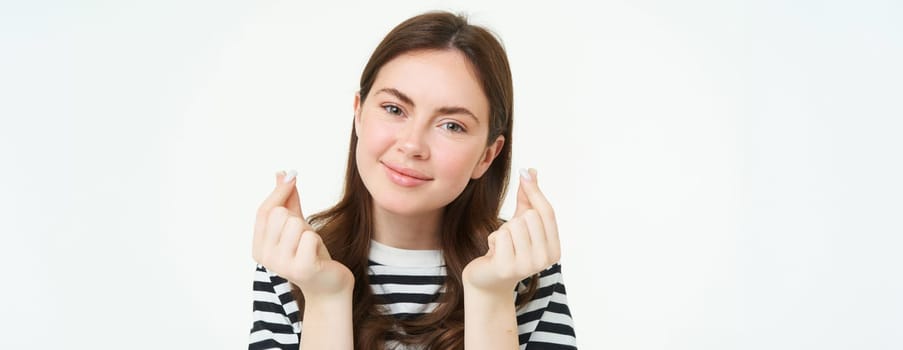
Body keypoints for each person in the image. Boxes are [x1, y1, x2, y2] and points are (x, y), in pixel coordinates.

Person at [248, 11, 577, 350]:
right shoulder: (295, 260)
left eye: (452, 125)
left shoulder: (521, 267)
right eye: (394, 109)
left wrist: (490, 297)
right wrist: (325, 297)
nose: (412, 145)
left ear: (487, 156)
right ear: (359, 114)